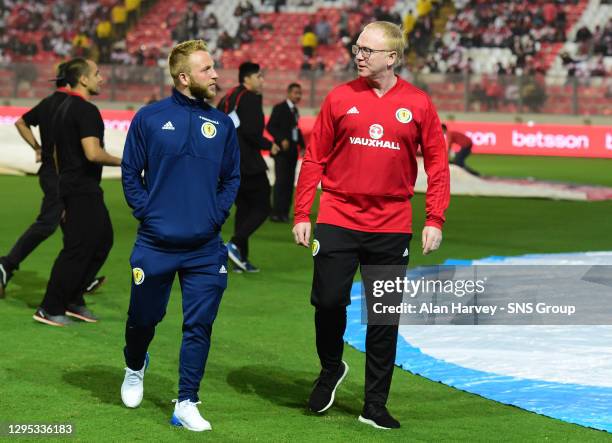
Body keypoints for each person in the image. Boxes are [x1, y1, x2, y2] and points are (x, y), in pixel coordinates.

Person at [292, 21, 450, 429]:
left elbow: (436, 163)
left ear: (392, 57)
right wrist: (302, 212)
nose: (357, 55)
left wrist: (435, 218)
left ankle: (374, 404)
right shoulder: (339, 98)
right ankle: (331, 368)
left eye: (367, 50)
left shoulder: (418, 103)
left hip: (391, 225)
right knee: (328, 302)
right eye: (356, 48)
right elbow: (314, 158)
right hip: (337, 219)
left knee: (383, 315)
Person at [120, 40, 240, 432]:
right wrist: (149, 214)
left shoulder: (222, 124)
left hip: (205, 248)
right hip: (155, 244)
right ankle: (135, 365)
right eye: (207, 69)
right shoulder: (150, 118)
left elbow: (231, 178)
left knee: (199, 326)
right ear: (185, 77)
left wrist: (214, 215)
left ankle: (186, 401)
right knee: (143, 318)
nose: (216, 75)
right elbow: (130, 174)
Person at [0, 62, 105, 299]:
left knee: (75, 227)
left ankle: (78, 278)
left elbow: (20, 122)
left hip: (53, 171)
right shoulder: (70, 105)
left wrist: (37, 147)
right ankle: (6, 265)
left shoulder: (50, 103)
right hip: (60, 174)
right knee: (51, 222)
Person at [33, 58, 121, 326]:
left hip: (72, 186)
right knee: (78, 248)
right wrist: (127, 162)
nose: (101, 78)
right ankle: (50, 307)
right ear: (83, 79)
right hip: (82, 188)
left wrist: (61, 188)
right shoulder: (86, 110)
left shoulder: (62, 107)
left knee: (102, 239)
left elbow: (58, 153)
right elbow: (93, 153)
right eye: (97, 73)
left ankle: (73, 299)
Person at [217, 62, 280, 273]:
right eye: (259, 76)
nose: (262, 80)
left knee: (244, 209)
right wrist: (269, 144)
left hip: (229, 164)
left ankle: (239, 259)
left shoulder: (229, 97)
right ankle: (234, 244)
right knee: (263, 206)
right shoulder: (251, 99)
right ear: (247, 79)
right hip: (248, 164)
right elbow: (252, 133)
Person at [266, 83, 304, 223]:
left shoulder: (295, 110)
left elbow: (296, 130)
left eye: (299, 93)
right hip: (281, 153)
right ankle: (276, 213)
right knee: (281, 182)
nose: (298, 95)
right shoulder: (280, 108)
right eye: (295, 92)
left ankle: (284, 213)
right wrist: (281, 139)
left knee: (289, 184)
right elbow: (270, 126)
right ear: (288, 93)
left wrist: (302, 145)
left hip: (292, 153)